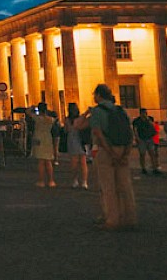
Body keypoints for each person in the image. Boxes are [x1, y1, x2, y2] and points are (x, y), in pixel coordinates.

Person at [90, 83, 137, 230]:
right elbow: (130, 133)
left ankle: (112, 220)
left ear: (98, 95)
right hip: (123, 149)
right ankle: (130, 217)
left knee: (108, 187)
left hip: (107, 151)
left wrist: (110, 152)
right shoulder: (120, 110)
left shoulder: (97, 111)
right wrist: (125, 153)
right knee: (125, 185)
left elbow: (98, 134)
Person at [29, 103, 56, 188]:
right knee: (48, 161)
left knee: (41, 161)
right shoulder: (51, 119)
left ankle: (41, 181)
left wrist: (32, 107)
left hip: (38, 138)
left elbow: (28, 112)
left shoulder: (37, 118)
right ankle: (51, 180)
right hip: (48, 138)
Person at [64, 103, 89, 189]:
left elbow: (67, 129)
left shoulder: (67, 119)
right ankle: (84, 181)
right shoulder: (80, 118)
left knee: (74, 162)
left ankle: (75, 180)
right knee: (83, 162)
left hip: (72, 140)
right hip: (81, 140)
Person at [132, 108, 159, 175]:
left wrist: (149, 121)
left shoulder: (149, 119)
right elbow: (135, 129)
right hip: (142, 139)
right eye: (144, 113)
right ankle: (143, 168)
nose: (145, 114)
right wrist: (137, 138)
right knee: (142, 154)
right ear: (141, 113)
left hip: (149, 138)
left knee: (152, 153)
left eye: (146, 113)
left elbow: (153, 126)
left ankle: (154, 168)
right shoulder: (137, 121)